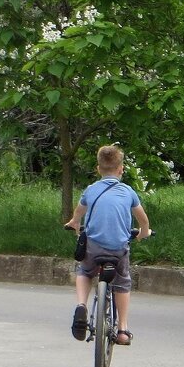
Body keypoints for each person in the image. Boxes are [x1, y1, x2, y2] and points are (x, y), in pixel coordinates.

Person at [62, 145, 152, 345]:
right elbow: (143, 220)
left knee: (85, 271)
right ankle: (122, 330)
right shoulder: (128, 192)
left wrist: (74, 224)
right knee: (122, 282)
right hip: (118, 249)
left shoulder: (91, 190)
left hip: (93, 247)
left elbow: (78, 215)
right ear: (121, 169)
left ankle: (81, 306)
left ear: (98, 169)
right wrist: (144, 233)